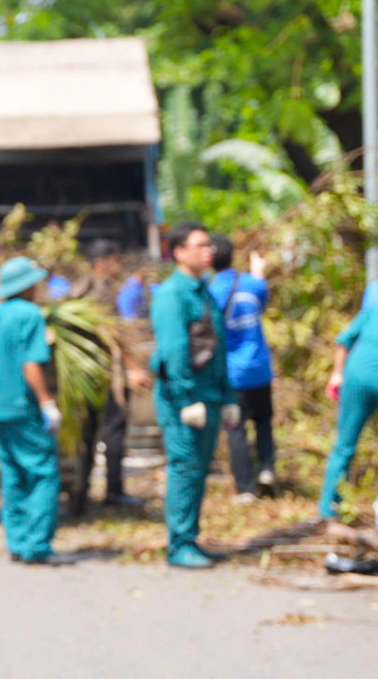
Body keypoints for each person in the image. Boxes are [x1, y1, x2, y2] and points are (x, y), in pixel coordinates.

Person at [149, 222, 239, 569]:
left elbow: (217, 348)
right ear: (179, 252)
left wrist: (228, 396)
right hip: (183, 399)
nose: (208, 252)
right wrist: (186, 400)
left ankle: (191, 537)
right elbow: (174, 351)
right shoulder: (172, 295)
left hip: (211, 394)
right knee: (185, 468)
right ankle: (179, 544)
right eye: (200, 246)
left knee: (199, 470)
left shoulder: (203, 291)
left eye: (209, 246)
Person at [0, 256, 66, 565]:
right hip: (24, 408)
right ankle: (37, 546)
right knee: (42, 473)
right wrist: (47, 404)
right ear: (27, 286)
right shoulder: (31, 315)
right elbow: (31, 365)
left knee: (12, 474)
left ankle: (16, 542)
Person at [70, 239, 151, 508]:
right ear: (102, 262)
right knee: (113, 431)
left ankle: (79, 493)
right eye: (115, 260)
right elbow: (114, 334)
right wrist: (133, 367)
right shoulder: (103, 290)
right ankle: (114, 492)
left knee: (86, 434)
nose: (118, 266)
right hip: (106, 374)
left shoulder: (77, 289)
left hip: (81, 373)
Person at [208, 236, 276, 502]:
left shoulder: (211, 292)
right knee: (263, 422)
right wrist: (258, 269)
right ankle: (267, 469)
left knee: (235, 429)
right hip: (260, 368)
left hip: (232, 374)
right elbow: (262, 295)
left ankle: (246, 488)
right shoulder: (251, 284)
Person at [318, 300, 378, 519]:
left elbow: (343, 340)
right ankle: (329, 508)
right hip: (360, 378)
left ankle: (327, 508)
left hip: (356, 376)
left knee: (344, 446)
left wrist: (337, 374)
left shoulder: (373, 308)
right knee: (345, 445)